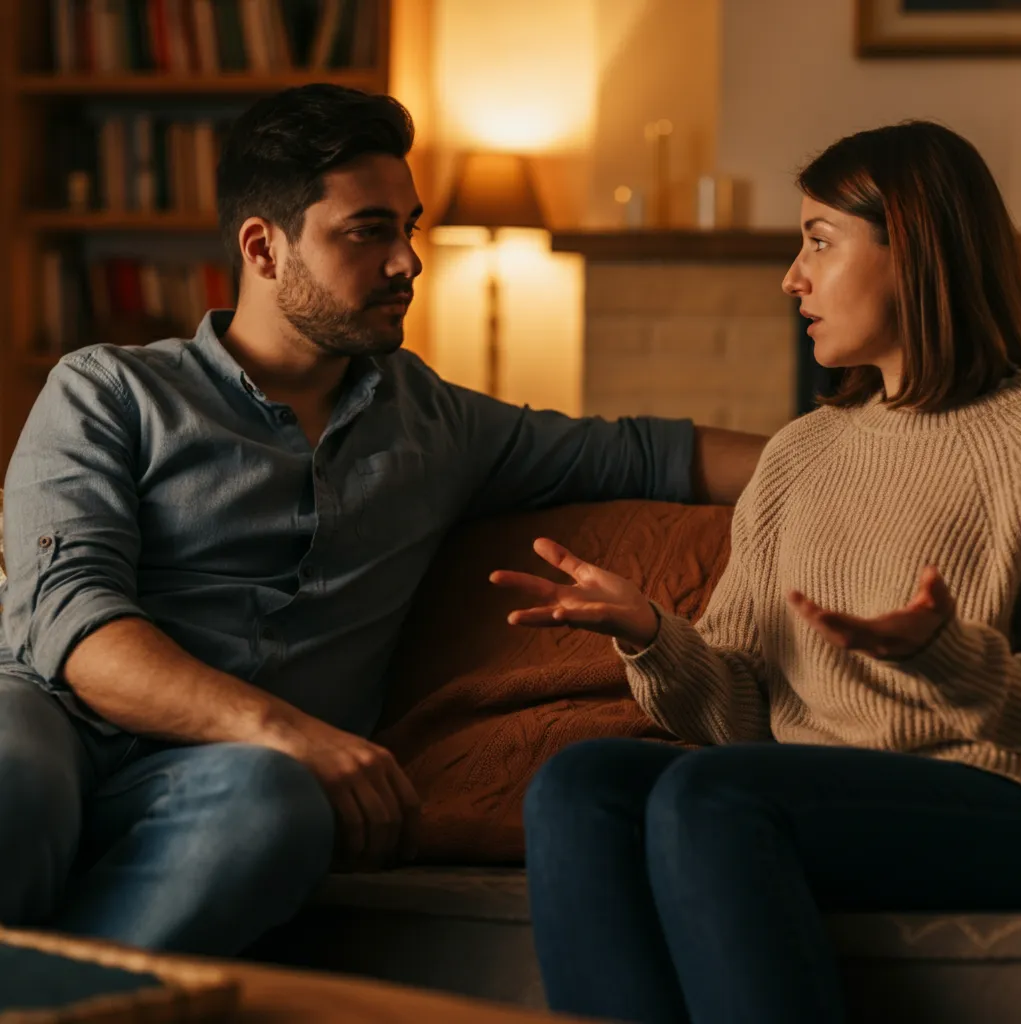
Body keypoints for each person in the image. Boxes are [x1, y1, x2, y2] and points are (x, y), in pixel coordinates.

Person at [0, 84, 765, 956]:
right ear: (263, 247)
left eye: (409, 226)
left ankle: (73, 1006)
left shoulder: (437, 425)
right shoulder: (109, 390)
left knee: (277, 808)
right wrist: (290, 731)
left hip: (221, 781)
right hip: (56, 722)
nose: (408, 260)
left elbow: (644, 452)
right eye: (368, 231)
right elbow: (74, 628)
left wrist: (869, 447)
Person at [492, 120, 1021, 1024]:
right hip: (802, 791)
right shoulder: (798, 455)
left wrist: (943, 655)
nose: (792, 277)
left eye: (819, 241)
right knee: (579, 785)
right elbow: (741, 715)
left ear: (916, 248)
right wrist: (652, 635)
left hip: (993, 794)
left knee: (715, 796)